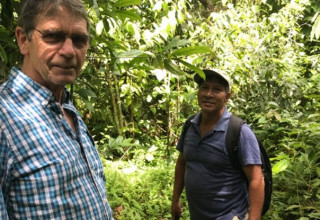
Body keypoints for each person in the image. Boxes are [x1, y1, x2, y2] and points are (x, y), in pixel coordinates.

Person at [0, 0, 114, 219]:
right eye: (53, 36)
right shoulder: (4, 117)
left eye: (79, 40)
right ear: (24, 40)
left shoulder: (66, 107)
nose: (69, 51)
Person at [171, 69, 265, 220]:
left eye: (217, 89)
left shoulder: (239, 132)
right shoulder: (190, 125)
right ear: (198, 92)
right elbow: (182, 162)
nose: (209, 94)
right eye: (204, 87)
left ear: (227, 97)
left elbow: (257, 179)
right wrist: (175, 200)